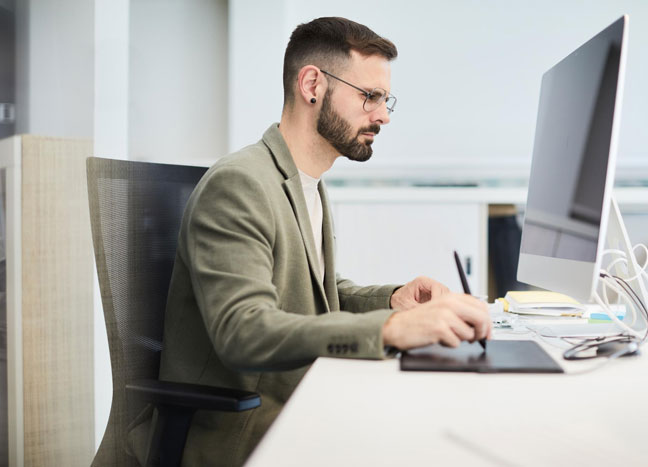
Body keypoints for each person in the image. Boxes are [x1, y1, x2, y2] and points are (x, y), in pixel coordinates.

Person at [140, 16, 491, 467]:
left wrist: (392, 300)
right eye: (370, 97)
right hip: (240, 435)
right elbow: (244, 330)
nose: (383, 115)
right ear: (312, 85)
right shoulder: (240, 184)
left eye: (386, 100)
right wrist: (388, 330)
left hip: (296, 403)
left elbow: (314, 295)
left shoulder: (306, 181)